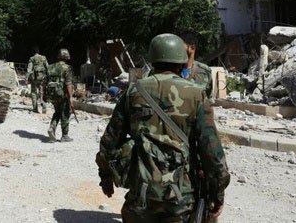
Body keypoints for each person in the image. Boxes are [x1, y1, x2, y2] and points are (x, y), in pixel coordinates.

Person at [96, 33, 230, 222]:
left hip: (140, 200)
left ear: (153, 60)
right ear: (182, 62)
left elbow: (109, 143)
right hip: (182, 202)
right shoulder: (196, 94)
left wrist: (106, 178)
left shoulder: (133, 92)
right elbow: (212, 154)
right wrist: (217, 196)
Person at [43, 48, 75, 142]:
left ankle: (52, 128)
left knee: (57, 112)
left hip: (52, 94)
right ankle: (65, 136)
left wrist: (43, 94)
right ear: (66, 56)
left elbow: (44, 82)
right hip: (62, 95)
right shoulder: (67, 68)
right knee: (65, 113)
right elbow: (68, 84)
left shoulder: (50, 67)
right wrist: (71, 97)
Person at [179, 30, 213, 98]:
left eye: (180, 46)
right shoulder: (172, 68)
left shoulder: (204, 70)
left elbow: (208, 99)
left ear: (192, 48)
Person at [26, 46, 49, 113]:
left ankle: (35, 108)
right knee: (42, 92)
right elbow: (47, 67)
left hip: (34, 78)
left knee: (33, 92)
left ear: (32, 52)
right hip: (42, 78)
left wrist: (26, 78)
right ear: (38, 51)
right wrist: (49, 77)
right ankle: (43, 105)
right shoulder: (43, 57)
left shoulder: (32, 58)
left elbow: (29, 69)